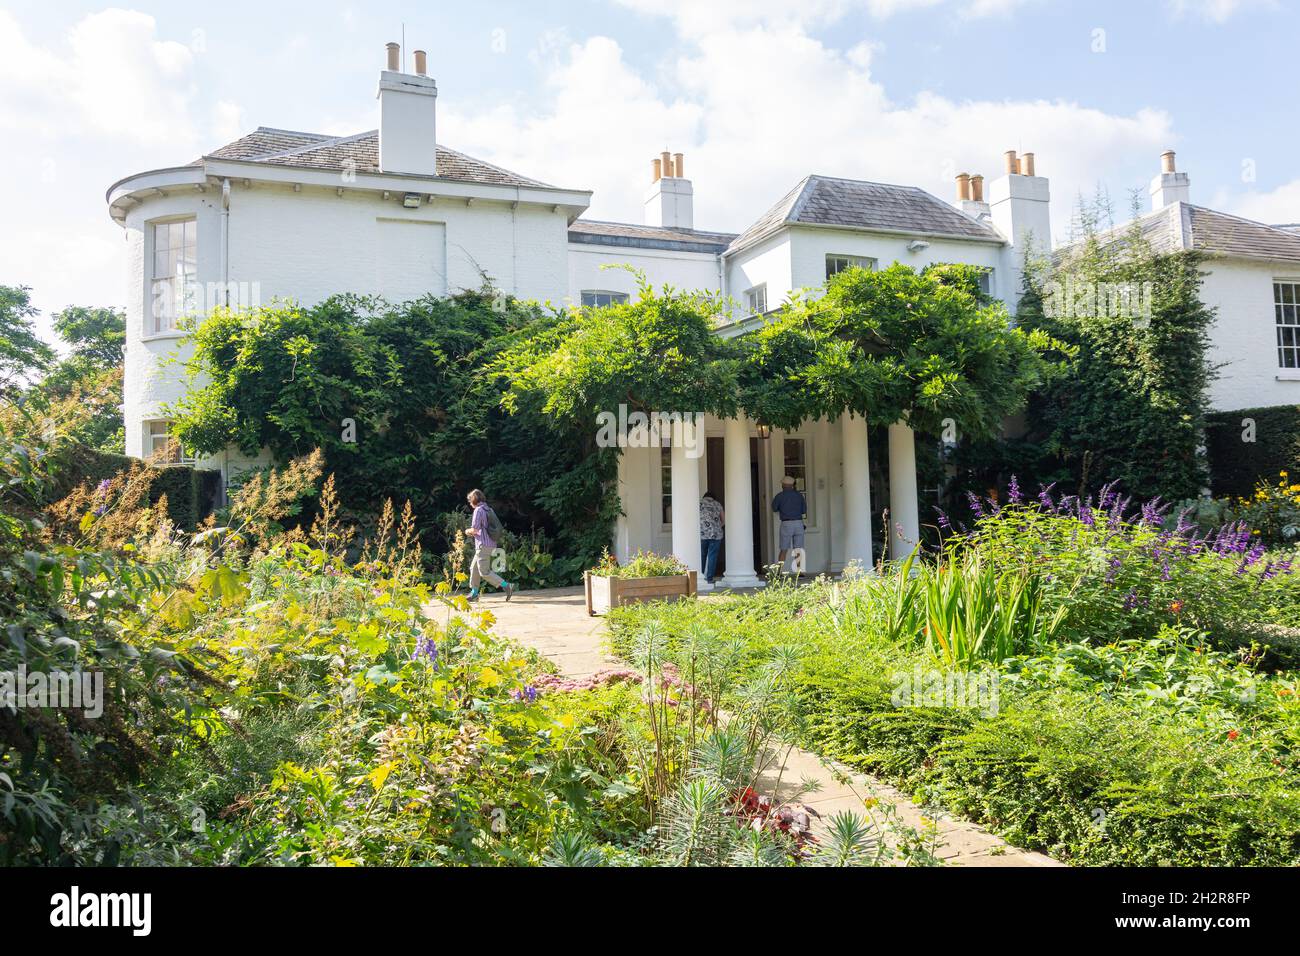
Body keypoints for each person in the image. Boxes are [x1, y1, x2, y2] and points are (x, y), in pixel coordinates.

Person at [466, 489, 514, 602]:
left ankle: (506, 585)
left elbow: (475, 529)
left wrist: (467, 531)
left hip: (483, 545)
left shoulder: (478, 510)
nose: (469, 503)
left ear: (473, 500)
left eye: (469, 501)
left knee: (484, 572)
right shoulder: (488, 509)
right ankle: (474, 593)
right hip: (490, 543)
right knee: (474, 568)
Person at [771, 476, 806, 572]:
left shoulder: (779, 496)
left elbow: (774, 508)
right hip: (799, 523)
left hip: (786, 523)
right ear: (792, 485)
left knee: (784, 548)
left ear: (783, 485)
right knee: (798, 549)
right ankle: (800, 572)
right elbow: (804, 510)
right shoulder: (799, 496)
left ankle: (779, 572)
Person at [699, 491, 724, 584]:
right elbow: (723, 520)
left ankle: (700, 577)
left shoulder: (699, 503)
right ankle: (709, 578)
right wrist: (717, 527)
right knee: (712, 556)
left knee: (702, 555)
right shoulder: (717, 504)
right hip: (716, 535)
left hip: (702, 534)